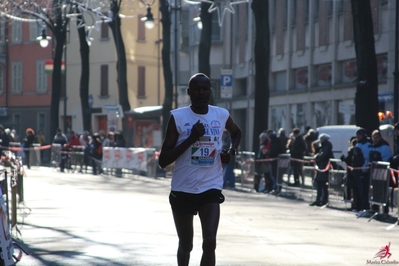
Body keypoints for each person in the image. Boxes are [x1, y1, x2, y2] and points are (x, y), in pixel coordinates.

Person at [158, 73, 242, 266]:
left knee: (210, 242)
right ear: (189, 92)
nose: (201, 92)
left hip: (210, 187)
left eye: (205, 89)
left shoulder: (221, 114)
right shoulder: (178, 117)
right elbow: (163, 160)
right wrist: (191, 139)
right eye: (196, 89)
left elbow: (236, 132)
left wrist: (231, 150)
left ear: (210, 92)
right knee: (186, 245)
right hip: (183, 189)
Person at [369, 129, 392, 215]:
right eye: (374, 138)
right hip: (374, 173)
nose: (375, 139)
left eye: (377, 138)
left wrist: (378, 165)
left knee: (383, 192)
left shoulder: (385, 147)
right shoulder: (372, 146)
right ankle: (375, 209)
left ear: (380, 137)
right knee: (375, 191)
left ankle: (385, 211)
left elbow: (386, 160)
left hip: (383, 173)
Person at [309, 133, 334, 206]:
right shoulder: (324, 146)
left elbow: (322, 155)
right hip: (321, 167)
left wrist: (316, 157)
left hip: (323, 167)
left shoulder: (326, 146)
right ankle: (319, 199)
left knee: (323, 184)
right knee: (320, 184)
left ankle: (323, 199)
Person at [353, 128, 372, 212]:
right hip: (357, 170)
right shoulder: (358, 144)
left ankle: (365, 207)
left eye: (360, 134)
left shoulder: (366, 144)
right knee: (358, 190)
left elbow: (366, 158)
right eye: (357, 135)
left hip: (363, 170)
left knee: (364, 190)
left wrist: (364, 169)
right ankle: (359, 206)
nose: (358, 136)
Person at [340, 137, 360, 211]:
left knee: (354, 190)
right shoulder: (356, 150)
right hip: (354, 172)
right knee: (355, 190)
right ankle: (355, 204)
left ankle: (355, 205)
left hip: (352, 173)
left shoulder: (352, 150)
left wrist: (343, 158)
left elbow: (348, 160)